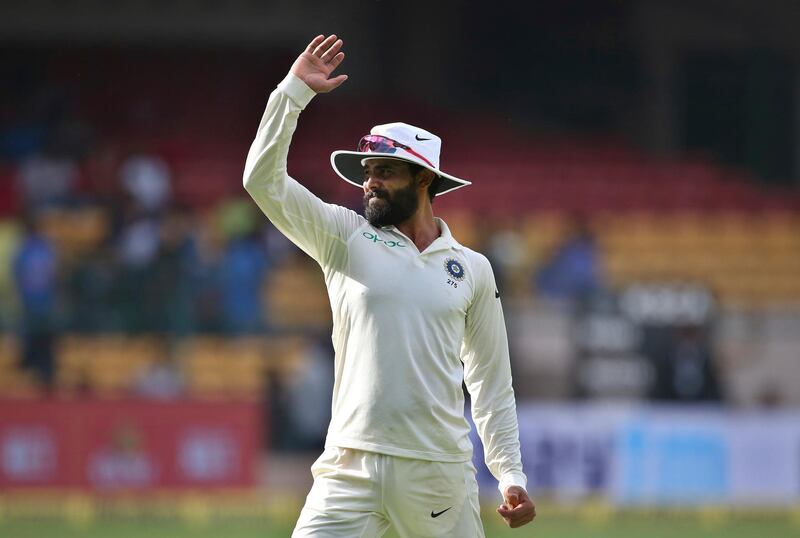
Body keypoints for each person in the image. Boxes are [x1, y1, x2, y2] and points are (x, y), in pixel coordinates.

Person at [243, 34, 535, 536]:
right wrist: (292, 93)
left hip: (437, 476)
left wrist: (509, 473)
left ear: (424, 180)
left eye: (383, 171)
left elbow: (490, 382)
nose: (368, 183)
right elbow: (261, 182)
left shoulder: (472, 269)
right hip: (347, 468)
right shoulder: (343, 235)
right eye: (366, 172)